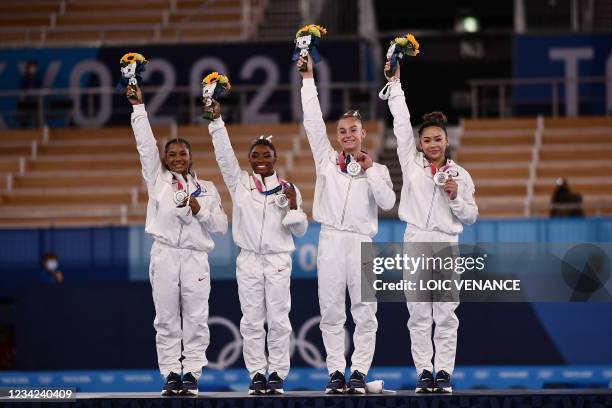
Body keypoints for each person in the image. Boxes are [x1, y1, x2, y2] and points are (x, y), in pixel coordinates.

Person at [298, 56, 396, 394]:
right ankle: (336, 371)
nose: (347, 135)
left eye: (353, 130)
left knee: (365, 310)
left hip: (362, 242)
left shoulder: (378, 170)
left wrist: (369, 170)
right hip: (330, 240)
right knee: (330, 309)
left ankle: (360, 372)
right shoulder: (325, 160)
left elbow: (388, 203)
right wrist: (308, 78)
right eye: (342, 131)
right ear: (337, 136)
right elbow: (312, 120)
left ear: (363, 133)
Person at [381, 62, 478, 393]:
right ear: (420, 144)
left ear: (447, 140)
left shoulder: (461, 175)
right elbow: (401, 124)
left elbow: (471, 216)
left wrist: (454, 198)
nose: (433, 144)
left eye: (438, 139)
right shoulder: (410, 162)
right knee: (419, 314)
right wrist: (395, 84)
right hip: (416, 241)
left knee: (446, 314)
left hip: (446, 243)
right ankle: (425, 371)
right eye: (427, 140)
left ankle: (445, 374)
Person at [127, 84, 228, 396]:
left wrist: (201, 212)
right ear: (166, 159)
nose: (176, 158)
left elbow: (222, 226)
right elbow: (146, 147)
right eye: (171, 154)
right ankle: (171, 372)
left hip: (196, 256)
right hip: (166, 254)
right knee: (166, 317)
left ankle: (192, 373)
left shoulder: (208, 188)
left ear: (190, 156)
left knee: (197, 318)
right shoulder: (157, 182)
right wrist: (138, 108)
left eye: (182, 153)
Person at [207, 100, 308, 395]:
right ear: (249, 159)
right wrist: (216, 122)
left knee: (278, 319)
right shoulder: (240, 184)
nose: (261, 158)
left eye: (266, 154)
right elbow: (224, 156)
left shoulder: (289, 188)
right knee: (251, 321)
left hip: (277, 260)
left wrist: (292, 205)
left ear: (275, 158)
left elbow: (300, 230)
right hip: (249, 259)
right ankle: (255, 374)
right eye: (255, 155)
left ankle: (276, 373)